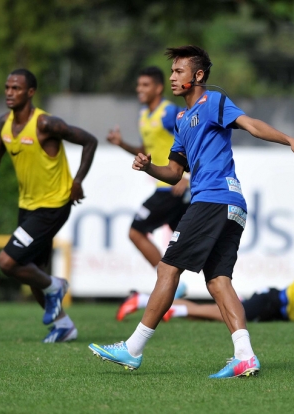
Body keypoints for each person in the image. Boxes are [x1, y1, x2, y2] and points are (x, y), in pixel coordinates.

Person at [88, 45, 294, 378]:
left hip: (214, 200)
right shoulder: (181, 120)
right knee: (218, 281)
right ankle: (245, 356)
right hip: (231, 205)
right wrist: (148, 167)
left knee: (168, 268)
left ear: (198, 75)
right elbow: (174, 173)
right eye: (171, 71)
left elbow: (251, 124)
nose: (172, 77)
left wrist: (289, 140)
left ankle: (133, 348)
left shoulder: (213, 101)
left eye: (178, 71)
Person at [0, 69, 97, 342]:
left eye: (16, 88)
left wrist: (78, 181)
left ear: (30, 92)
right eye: (7, 87)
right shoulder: (3, 124)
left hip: (53, 206)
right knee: (33, 271)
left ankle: (56, 286)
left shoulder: (45, 123)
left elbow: (89, 141)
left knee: (8, 261)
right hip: (27, 206)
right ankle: (64, 326)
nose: (10, 92)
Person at [106, 67, 188, 322]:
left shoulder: (169, 113)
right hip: (164, 187)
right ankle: (225, 292)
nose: (139, 89)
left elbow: (193, 141)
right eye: (138, 85)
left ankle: (171, 284)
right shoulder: (144, 115)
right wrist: (121, 144)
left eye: (145, 85)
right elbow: (145, 150)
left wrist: (188, 177)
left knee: (136, 230)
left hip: (171, 188)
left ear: (158, 88)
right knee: (192, 245)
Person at [163, 236, 294, 325]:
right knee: (231, 315)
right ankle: (170, 306)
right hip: (273, 302)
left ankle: (176, 308)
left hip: (282, 314)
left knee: (220, 317)